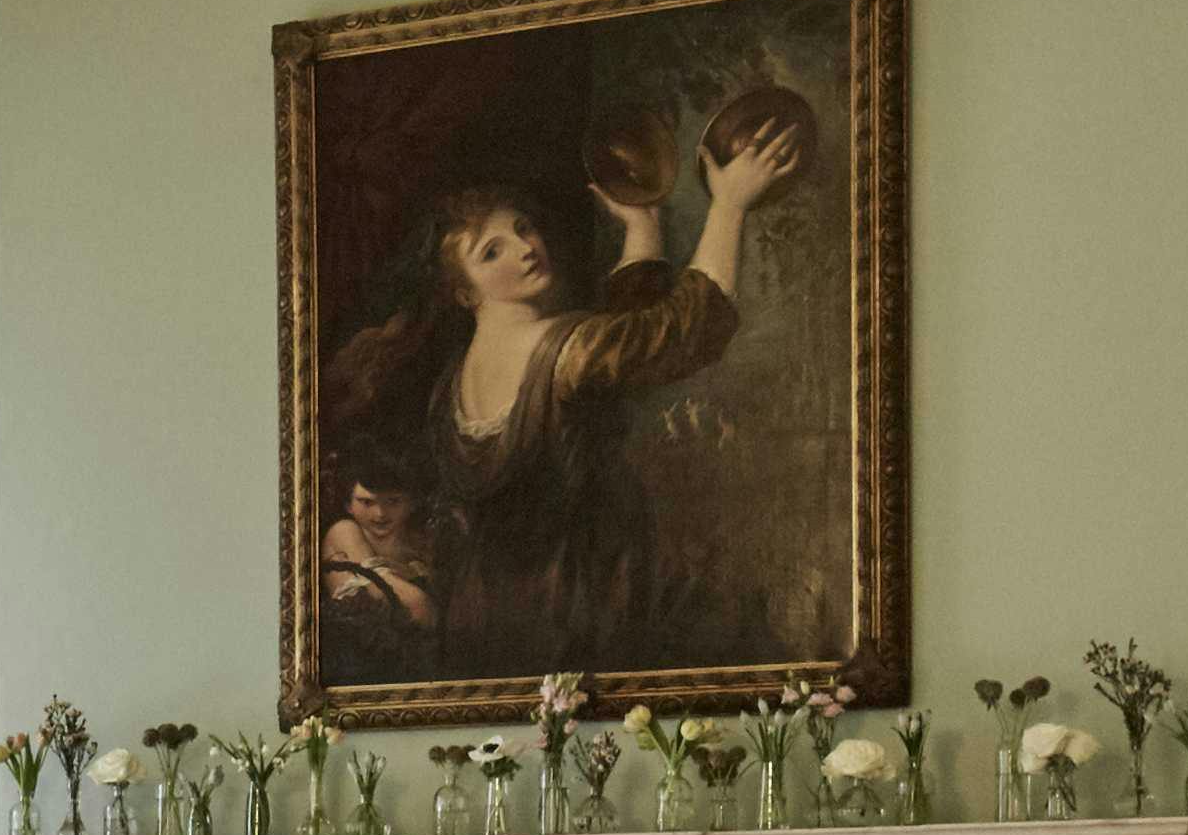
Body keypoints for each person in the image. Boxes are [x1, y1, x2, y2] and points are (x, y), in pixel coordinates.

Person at [310, 88, 813, 683]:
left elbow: (623, 353)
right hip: (579, 602)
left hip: (486, 613)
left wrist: (642, 227)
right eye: (491, 250)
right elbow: (682, 334)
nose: (525, 248)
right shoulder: (563, 346)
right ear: (464, 290)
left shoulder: (459, 378)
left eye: (524, 229)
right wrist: (728, 205)